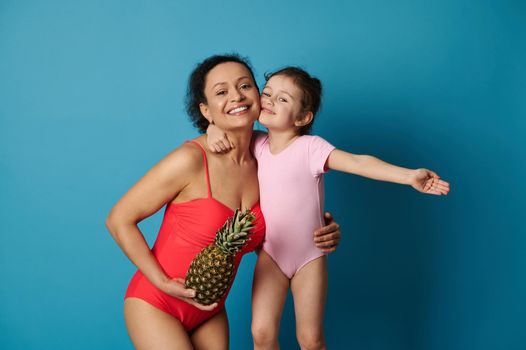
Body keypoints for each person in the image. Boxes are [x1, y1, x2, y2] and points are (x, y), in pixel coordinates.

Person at [105, 55, 342, 350]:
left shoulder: (268, 161)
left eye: (245, 85)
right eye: (221, 92)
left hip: (211, 309)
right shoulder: (190, 160)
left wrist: (320, 228)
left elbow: (279, 229)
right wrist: (162, 281)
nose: (236, 96)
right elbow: (118, 218)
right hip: (156, 301)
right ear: (205, 110)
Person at [207, 66, 451, 349]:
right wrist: (212, 129)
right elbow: (224, 125)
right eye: (268, 94)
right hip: (272, 253)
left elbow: (360, 162)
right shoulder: (255, 144)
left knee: (310, 340)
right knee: (261, 334)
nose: (270, 101)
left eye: (283, 99)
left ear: (303, 117)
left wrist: (409, 176)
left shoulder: (311, 148)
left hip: (309, 257)